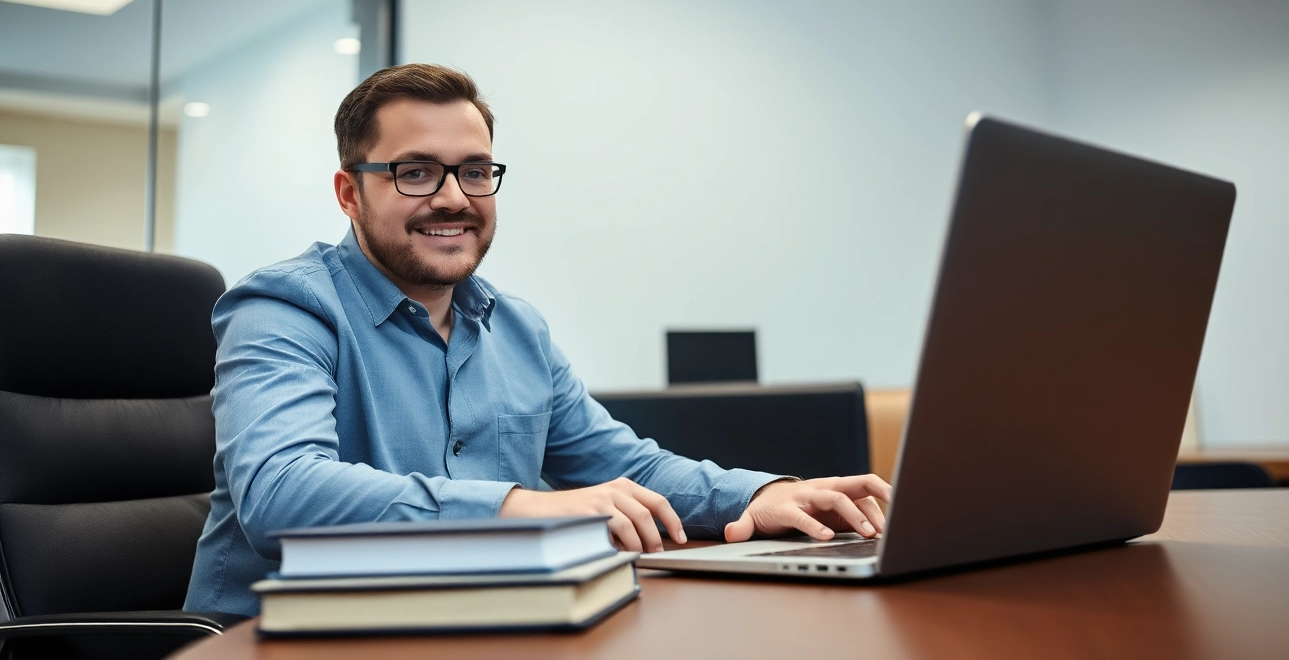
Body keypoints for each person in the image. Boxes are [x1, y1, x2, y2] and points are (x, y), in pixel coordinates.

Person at [184, 63, 891, 615]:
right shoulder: (284, 307)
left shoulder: (515, 327)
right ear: (349, 193)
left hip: (467, 624)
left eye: (473, 171)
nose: (454, 197)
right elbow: (282, 493)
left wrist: (756, 496)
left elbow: (624, 468)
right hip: (281, 640)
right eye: (415, 172)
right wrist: (518, 507)